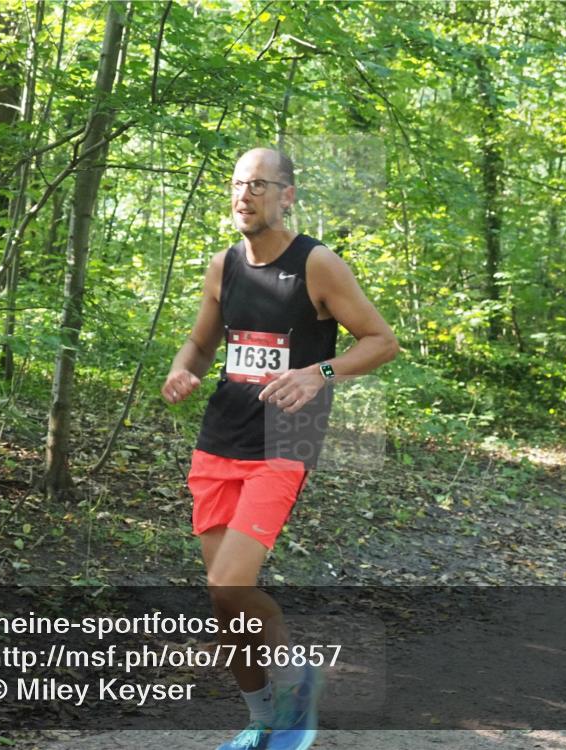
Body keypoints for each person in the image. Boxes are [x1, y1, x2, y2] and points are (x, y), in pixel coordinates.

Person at [162, 147, 398, 750]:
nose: (246, 195)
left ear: (287, 195)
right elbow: (199, 345)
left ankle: (293, 686)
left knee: (233, 584)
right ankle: (262, 716)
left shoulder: (317, 264)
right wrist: (180, 372)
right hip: (220, 439)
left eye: (260, 185)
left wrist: (320, 373)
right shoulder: (223, 266)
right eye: (239, 184)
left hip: (283, 442)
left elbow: (381, 341)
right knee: (224, 599)